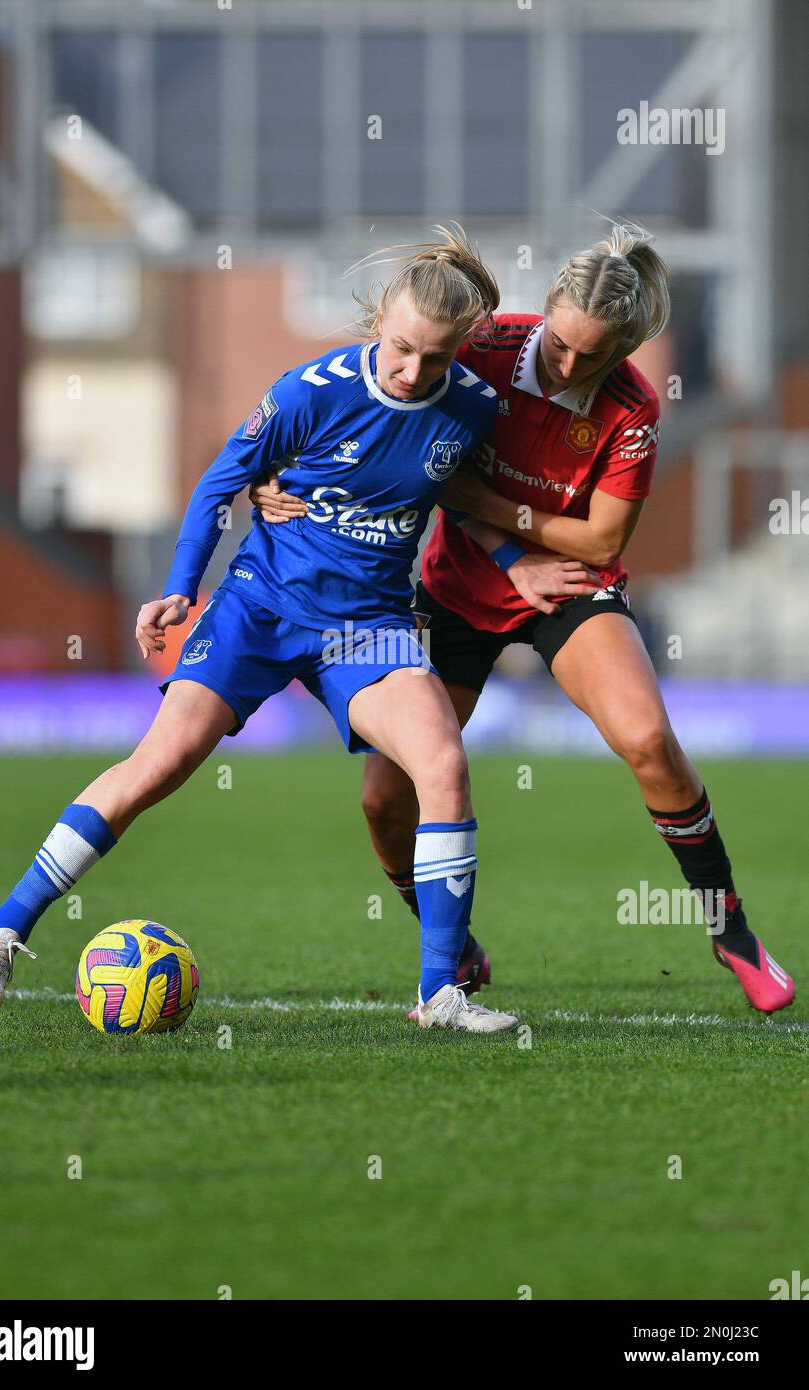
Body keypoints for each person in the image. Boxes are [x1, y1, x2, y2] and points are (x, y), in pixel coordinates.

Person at [0, 225, 520, 1034]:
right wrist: (181, 590)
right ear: (376, 323)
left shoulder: (473, 407)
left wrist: (519, 555)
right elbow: (223, 482)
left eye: (435, 358)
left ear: (461, 349)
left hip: (369, 626)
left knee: (442, 763)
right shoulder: (308, 391)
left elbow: (459, 491)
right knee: (162, 763)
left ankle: (440, 995)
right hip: (261, 607)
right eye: (400, 350)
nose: (413, 370)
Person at [252, 221, 795, 1017]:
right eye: (562, 345)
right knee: (383, 799)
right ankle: (447, 938)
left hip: (571, 590)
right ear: (545, 310)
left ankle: (730, 928)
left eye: (595, 354)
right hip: (455, 589)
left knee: (648, 739)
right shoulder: (478, 351)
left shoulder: (633, 406)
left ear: (628, 345)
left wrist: (497, 511)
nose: (571, 363)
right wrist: (274, 475)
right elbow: (408, 459)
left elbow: (603, 538)